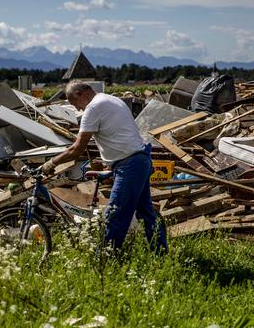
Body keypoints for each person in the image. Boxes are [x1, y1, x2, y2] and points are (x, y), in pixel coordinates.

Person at [41, 81, 167, 253]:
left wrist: (51, 163)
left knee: (115, 215)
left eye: (73, 104)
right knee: (146, 212)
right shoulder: (109, 99)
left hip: (129, 164)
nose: (77, 109)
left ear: (80, 94)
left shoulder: (93, 108)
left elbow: (77, 149)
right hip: (140, 159)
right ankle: (160, 252)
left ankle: (108, 259)